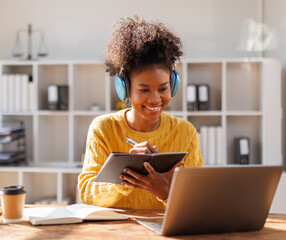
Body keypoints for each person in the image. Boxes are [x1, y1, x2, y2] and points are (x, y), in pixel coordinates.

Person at [78, 15, 203, 210]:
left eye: (163, 89)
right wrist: (127, 170)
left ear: (174, 85)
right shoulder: (103, 128)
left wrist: (165, 193)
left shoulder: (185, 132)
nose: (155, 99)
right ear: (125, 89)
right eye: (144, 90)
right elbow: (87, 193)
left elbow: (197, 202)